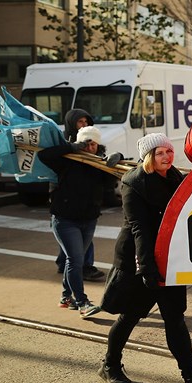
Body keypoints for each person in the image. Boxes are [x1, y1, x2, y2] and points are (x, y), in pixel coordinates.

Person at [98, 133, 192, 383]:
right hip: (139, 259)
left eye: (168, 151)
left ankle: (191, 375)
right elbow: (139, 229)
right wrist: (147, 269)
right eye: (160, 152)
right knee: (130, 316)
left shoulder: (176, 178)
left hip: (170, 258)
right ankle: (110, 364)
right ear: (148, 157)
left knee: (175, 319)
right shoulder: (133, 183)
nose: (166, 156)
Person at [39, 125, 114, 318]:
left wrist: (113, 164)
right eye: (86, 143)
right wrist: (72, 147)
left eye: (93, 144)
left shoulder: (100, 163)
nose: (90, 147)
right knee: (75, 260)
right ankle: (82, 302)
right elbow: (44, 156)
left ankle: (66, 297)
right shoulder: (67, 161)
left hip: (89, 219)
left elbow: (109, 187)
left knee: (75, 259)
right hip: (64, 219)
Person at [55, 108, 106, 283]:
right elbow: (48, 157)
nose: (84, 125)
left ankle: (66, 263)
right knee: (74, 239)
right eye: (80, 122)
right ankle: (83, 267)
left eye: (86, 122)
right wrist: (71, 148)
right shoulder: (63, 144)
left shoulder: (93, 145)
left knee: (77, 239)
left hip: (88, 206)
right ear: (71, 124)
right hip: (66, 201)